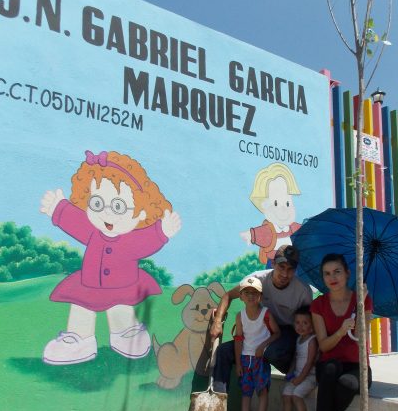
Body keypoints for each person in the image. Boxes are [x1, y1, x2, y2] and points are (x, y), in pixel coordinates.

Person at [40, 150, 181, 365]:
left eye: (118, 206)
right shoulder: (91, 230)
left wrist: (162, 231)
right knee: (81, 307)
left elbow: (148, 239)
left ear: (142, 212)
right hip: (88, 284)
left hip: (122, 286)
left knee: (121, 308)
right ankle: (78, 339)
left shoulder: (131, 240)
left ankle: (125, 333)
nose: (107, 213)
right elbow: (74, 220)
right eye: (97, 204)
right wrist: (58, 208)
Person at [210, 245, 313, 392]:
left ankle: (290, 368)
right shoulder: (257, 279)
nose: (285, 274)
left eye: (290, 269)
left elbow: (310, 323)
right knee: (223, 351)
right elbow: (228, 296)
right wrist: (217, 322)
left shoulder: (303, 291)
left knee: (271, 352)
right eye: (281, 267)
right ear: (273, 263)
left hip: (288, 332)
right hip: (261, 329)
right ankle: (218, 395)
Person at [310, 253, 373, 411]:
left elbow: (361, 338)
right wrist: (340, 331)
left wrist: (361, 307)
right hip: (330, 364)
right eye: (327, 273)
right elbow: (324, 346)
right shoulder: (318, 305)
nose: (332, 277)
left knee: (349, 384)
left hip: (357, 366)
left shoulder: (362, 300)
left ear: (347, 273)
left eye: (337, 271)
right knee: (329, 369)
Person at [230, 276, 280, 411]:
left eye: (255, 293)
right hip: (245, 359)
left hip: (261, 360)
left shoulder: (266, 314)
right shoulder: (240, 316)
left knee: (262, 391)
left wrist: (263, 346)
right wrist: (238, 363)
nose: (251, 296)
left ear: (260, 296)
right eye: (247, 292)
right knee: (246, 391)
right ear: (241, 296)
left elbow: (277, 333)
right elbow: (238, 340)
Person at [273, 305, 318, 411]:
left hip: (309, 376)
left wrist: (300, 379)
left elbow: (310, 363)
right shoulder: (299, 339)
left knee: (297, 395)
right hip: (298, 376)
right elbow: (295, 358)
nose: (301, 326)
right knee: (286, 394)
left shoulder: (312, 341)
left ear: (312, 325)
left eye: (305, 323)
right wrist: (291, 373)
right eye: (298, 323)